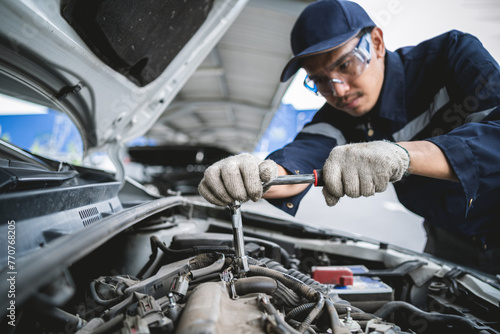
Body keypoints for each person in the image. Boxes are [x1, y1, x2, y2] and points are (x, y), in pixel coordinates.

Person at [198, 0, 500, 274]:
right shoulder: (338, 117)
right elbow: (300, 158)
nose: (338, 91)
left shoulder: (452, 57)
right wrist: (251, 174)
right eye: (319, 80)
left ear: (377, 43)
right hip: (449, 240)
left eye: (345, 65)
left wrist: (403, 155)